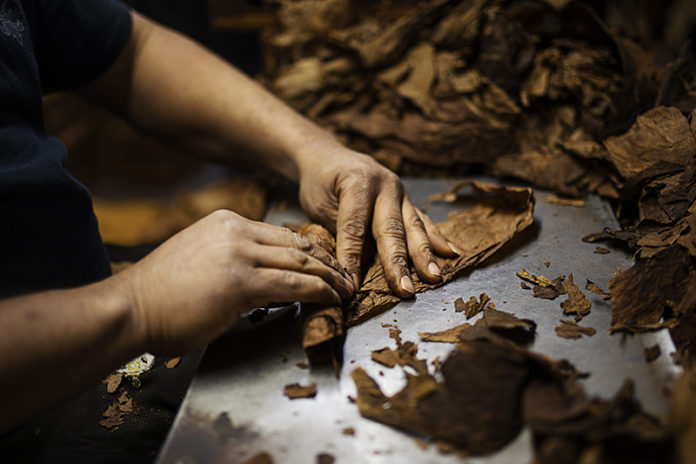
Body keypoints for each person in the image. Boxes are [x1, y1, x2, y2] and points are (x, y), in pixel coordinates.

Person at [0, 0, 457, 455]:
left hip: (95, 292)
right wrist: (139, 304)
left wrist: (312, 150)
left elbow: (129, 52)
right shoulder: (133, 308)